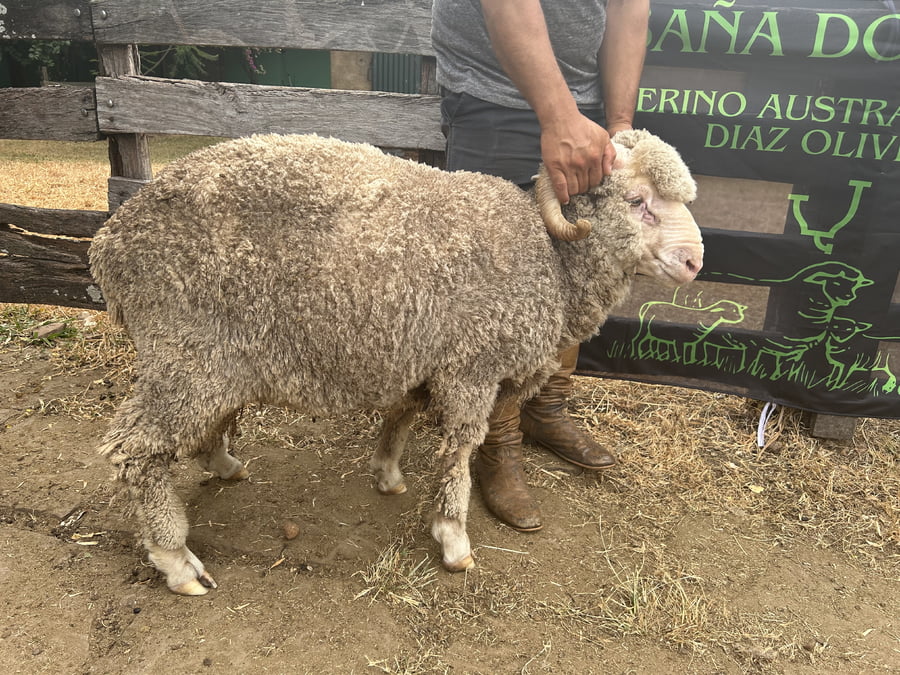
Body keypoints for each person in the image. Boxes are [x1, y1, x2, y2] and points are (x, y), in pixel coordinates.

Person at [431, 0, 650, 531]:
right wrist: (557, 116)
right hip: (494, 93)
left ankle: (544, 408)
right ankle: (495, 439)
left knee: (580, 262)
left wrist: (618, 126)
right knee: (494, 279)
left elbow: (628, 5)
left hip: (586, 101)